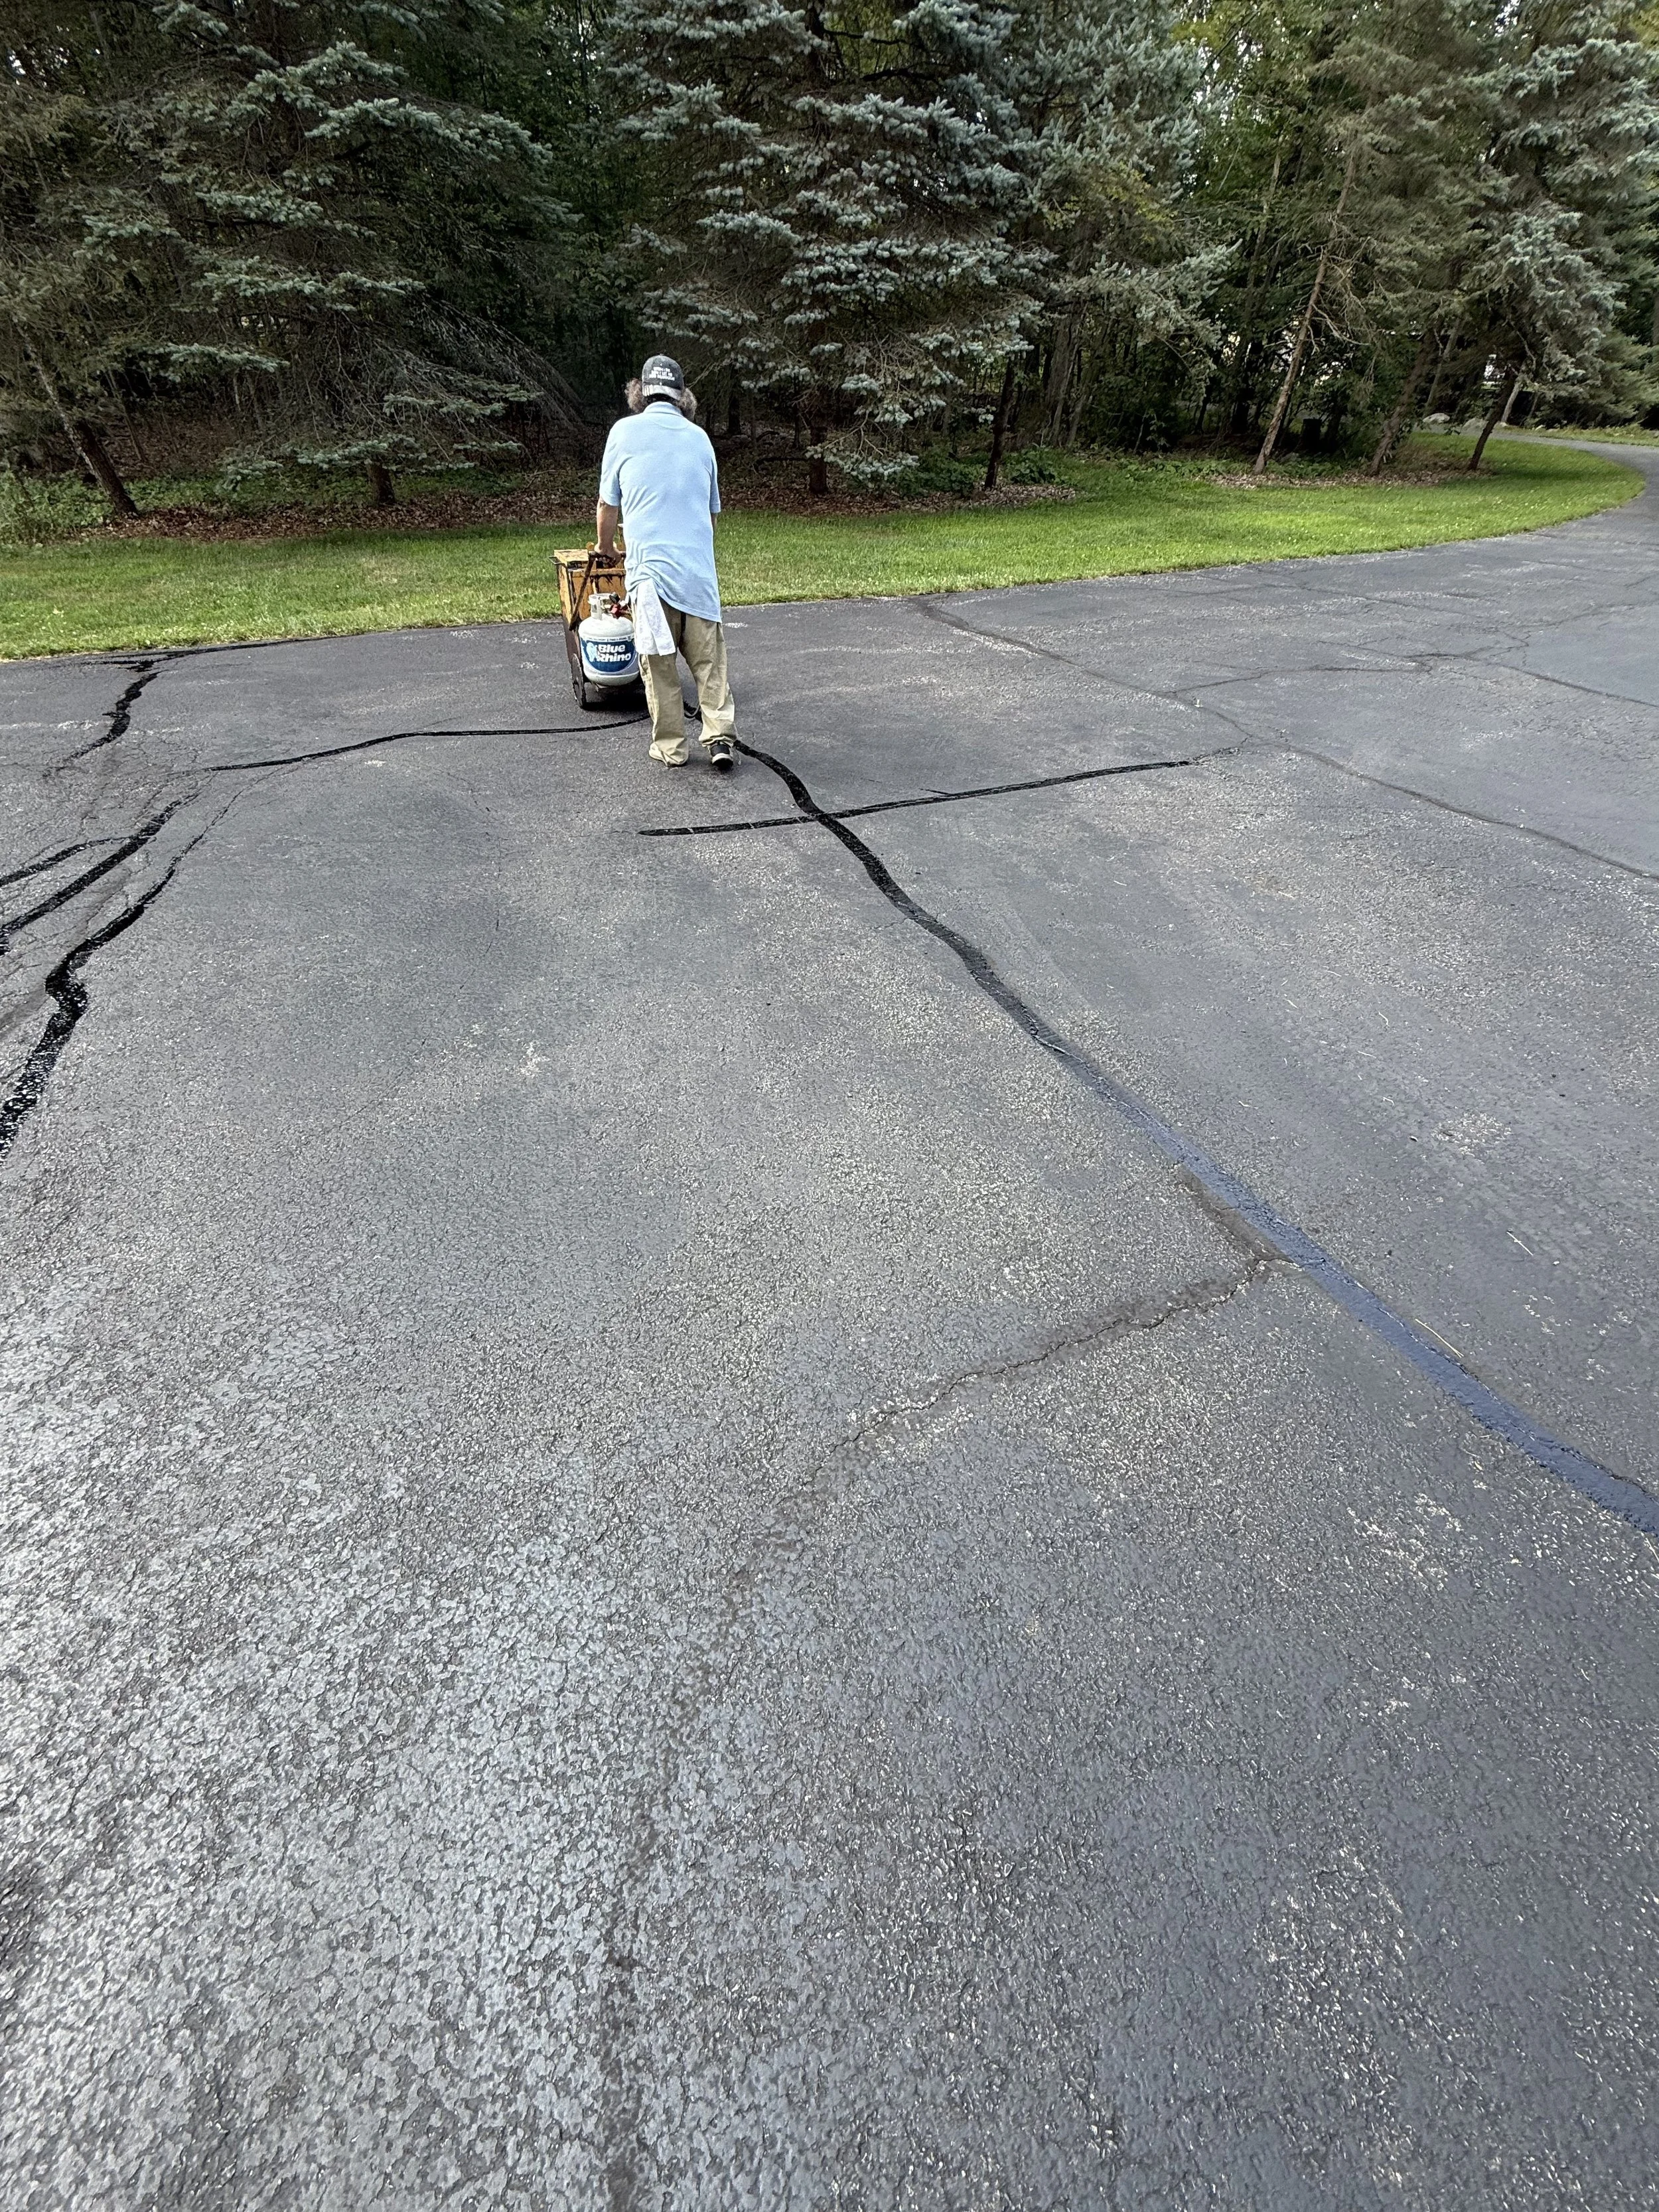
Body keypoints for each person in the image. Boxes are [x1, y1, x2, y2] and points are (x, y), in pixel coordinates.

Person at [596, 355, 737, 773]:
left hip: (650, 581)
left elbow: (607, 505)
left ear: (639, 393)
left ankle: (672, 748)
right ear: (682, 397)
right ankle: (720, 738)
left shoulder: (623, 432)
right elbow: (711, 515)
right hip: (698, 578)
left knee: (659, 666)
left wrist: (607, 547)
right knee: (709, 664)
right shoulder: (700, 440)